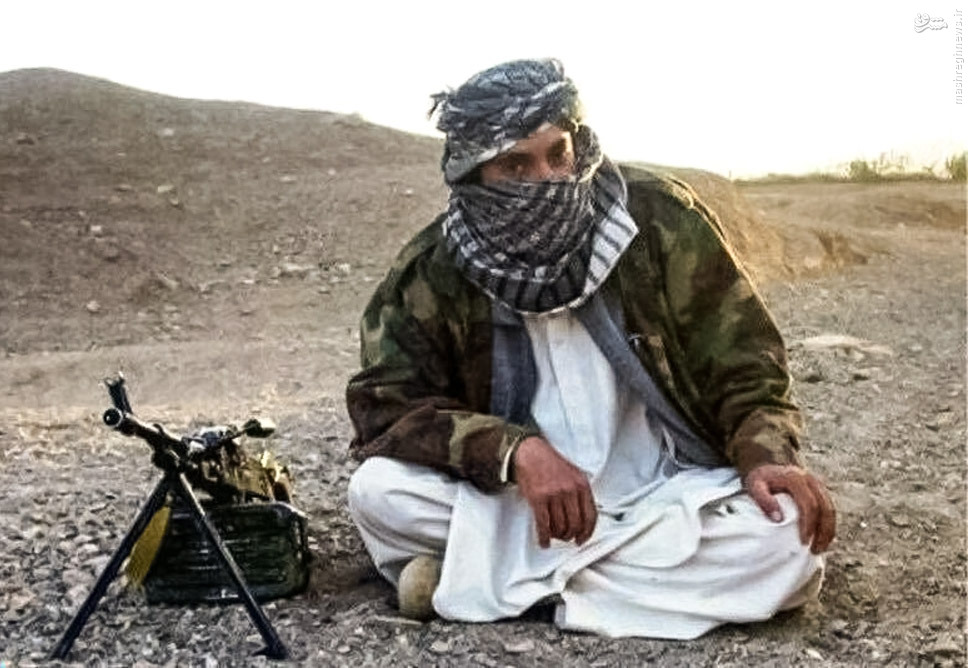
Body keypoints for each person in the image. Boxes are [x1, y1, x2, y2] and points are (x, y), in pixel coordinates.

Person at [345, 58, 835, 639]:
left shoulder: (659, 221)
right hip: (520, 501)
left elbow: (747, 362)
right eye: (517, 165)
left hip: (667, 486)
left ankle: (490, 583)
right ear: (473, 176)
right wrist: (514, 451)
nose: (549, 180)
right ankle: (611, 586)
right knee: (377, 493)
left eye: (559, 153)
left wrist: (767, 455)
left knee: (787, 538)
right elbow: (386, 405)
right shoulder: (433, 270)